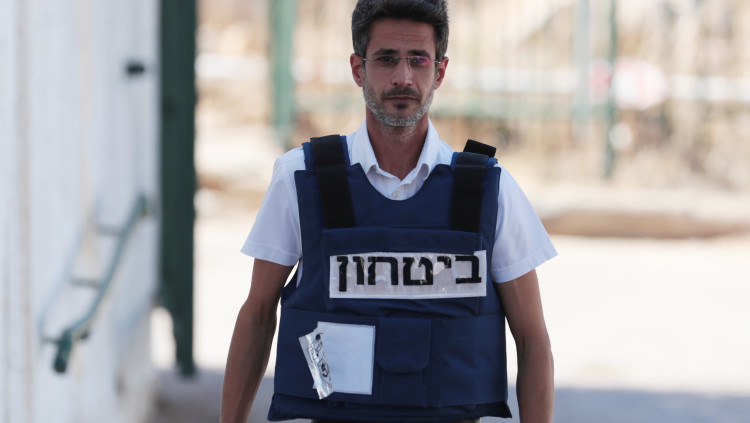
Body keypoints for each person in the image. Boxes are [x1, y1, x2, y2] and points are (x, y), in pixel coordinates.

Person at [220, 1, 556, 422]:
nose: (403, 77)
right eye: (386, 59)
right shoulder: (300, 179)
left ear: (440, 72)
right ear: (358, 69)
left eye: (418, 60)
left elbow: (532, 340)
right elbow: (257, 316)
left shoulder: (491, 190)